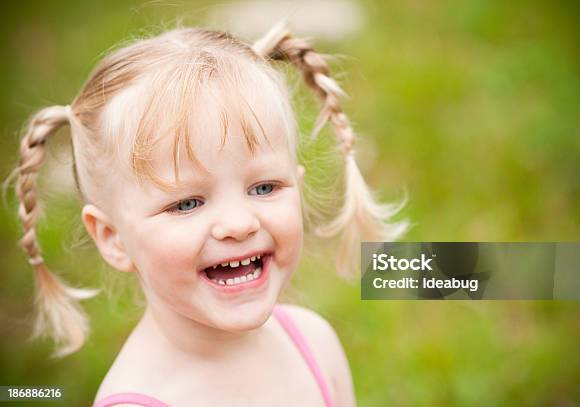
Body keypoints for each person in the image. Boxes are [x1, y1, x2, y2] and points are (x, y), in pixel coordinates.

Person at [9, 22, 407, 406]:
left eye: (264, 188)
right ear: (112, 238)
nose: (239, 223)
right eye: (186, 203)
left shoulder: (314, 344)